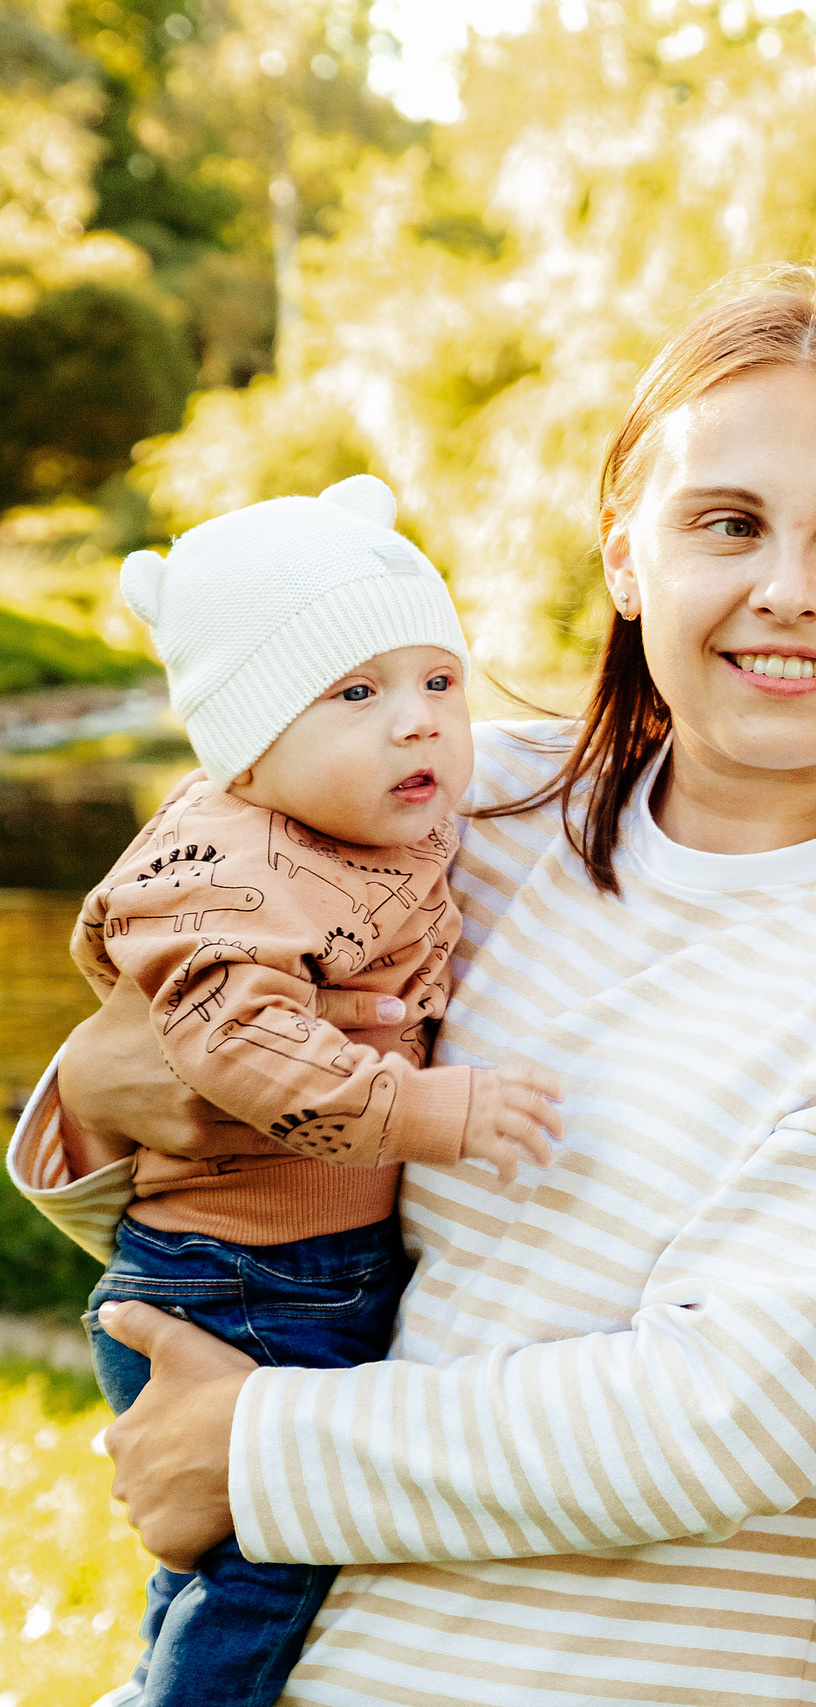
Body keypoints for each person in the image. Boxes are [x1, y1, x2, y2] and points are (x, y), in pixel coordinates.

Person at [8, 268, 816, 1707]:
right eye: (728, 522)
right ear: (627, 555)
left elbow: (716, 1421)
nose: (790, 589)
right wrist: (97, 1080)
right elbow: (180, 1117)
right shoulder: (462, 815)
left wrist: (251, 1449)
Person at [58, 474, 560, 1707]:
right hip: (238, 1279)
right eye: (354, 693)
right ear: (248, 739)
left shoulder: (377, 807)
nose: (419, 725)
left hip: (285, 1269)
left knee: (216, 1566)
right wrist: (436, 1113)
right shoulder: (224, 881)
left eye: (439, 682)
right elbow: (244, 1056)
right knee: (260, 1566)